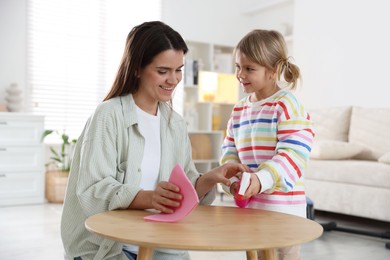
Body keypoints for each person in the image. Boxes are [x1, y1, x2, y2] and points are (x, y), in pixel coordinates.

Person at [61, 21, 249, 260]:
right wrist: (149, 198)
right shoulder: (108, 115)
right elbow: (92, 190)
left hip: (160, 243)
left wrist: (209, 178)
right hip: (107, 247)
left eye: (178, 69)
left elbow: (183, 191)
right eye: (163, 71)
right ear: (137, 68)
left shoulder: (175, 123)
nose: (173, 80)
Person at [220, 29, 315, 260]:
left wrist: (261, 179)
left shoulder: (286, 105)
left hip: (283, 213)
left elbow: (293, 155)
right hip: (251, 211)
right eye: (238, 66)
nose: (240, 74)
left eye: (249, 68)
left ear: (273, 71)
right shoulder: (239, 109)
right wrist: (231, 180)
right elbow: (229, 152)